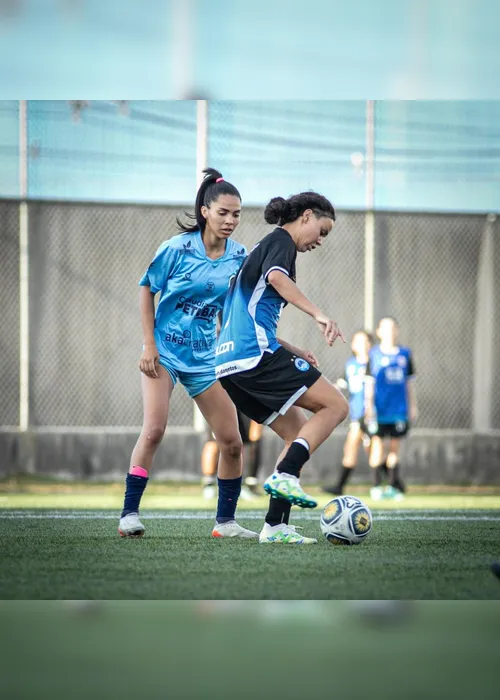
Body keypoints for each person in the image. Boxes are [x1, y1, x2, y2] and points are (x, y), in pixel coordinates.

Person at [118, 168, 258, 539]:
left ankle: (225, 523)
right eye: (224, 212)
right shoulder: (176, 249)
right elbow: (147, 289)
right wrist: (149, 344)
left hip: (206, 360)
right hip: (163, 354)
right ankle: (129, 514)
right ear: (205, 212)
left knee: (231, 441)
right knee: (154, 430)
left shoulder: (240, 256)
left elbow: (235, 308)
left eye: (237, 213)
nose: (231, 220)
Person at [215, 191, 349, 544]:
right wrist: (319, 314)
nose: (320, 240)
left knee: (297, 434)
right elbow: (277, 279)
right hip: (253, 357)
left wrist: (291, 348)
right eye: (322, 230)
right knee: (336, 405)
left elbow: (246, 313)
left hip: (230, 366)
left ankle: (274, 526)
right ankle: (287, 473)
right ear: (306, 216)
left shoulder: (263, 247)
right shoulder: (281, 242)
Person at [364, 316, 417, 500]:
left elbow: (409, 384)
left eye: (393, 327)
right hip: (379, 410)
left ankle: (393, 486)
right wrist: (368, 407)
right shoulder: (374, 354)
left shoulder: (405, 354)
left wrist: (412, 407)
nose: (389, 331)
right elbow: (369, 384)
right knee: (377, 447)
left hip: (399, 411)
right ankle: (376, 486)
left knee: (394, 450)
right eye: (385, 328)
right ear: (378, 332)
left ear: (397, 330)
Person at [323, 330, 374, 496]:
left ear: (370, 344)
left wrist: (371, 409)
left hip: (373, 413)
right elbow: (340, 386)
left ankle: (385, 483)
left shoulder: (375, 363)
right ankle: (341, 485)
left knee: (372, 450)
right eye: (357, 341)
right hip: (356, 413)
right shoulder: (351, 364)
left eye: (365, 341)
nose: (361, 345)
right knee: (354, 447)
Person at [201, 410, 263, 500]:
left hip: (246, 399)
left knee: (248, 440)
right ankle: (209, 483)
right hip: (223, 398)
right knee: (214, 440)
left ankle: (244, 483)